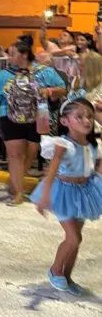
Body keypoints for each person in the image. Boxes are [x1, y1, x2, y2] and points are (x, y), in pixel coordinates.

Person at [30, 98, 102, 295]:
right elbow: (52, 170)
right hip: (62, 192)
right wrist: (45, 196)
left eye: (89, 116)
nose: (86, 120)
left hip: (85, 192)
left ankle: (68, 277)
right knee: (74, 237)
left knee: (76, 239)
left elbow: (97, 169)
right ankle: (55, 270)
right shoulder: (63, 143)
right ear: (64, 122)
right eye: (79, 117)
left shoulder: (94, 144)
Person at [0, 36, 67, 204]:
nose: (9, 57)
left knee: (30, 154)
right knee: (15, 155)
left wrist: (49, 91)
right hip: (8, 116)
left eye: (12, 54)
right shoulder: (4, 75)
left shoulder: (44, 72)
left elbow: (62, 90)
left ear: (24, 54)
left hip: (38, 117)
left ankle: (15, 184)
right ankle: (18, 193)